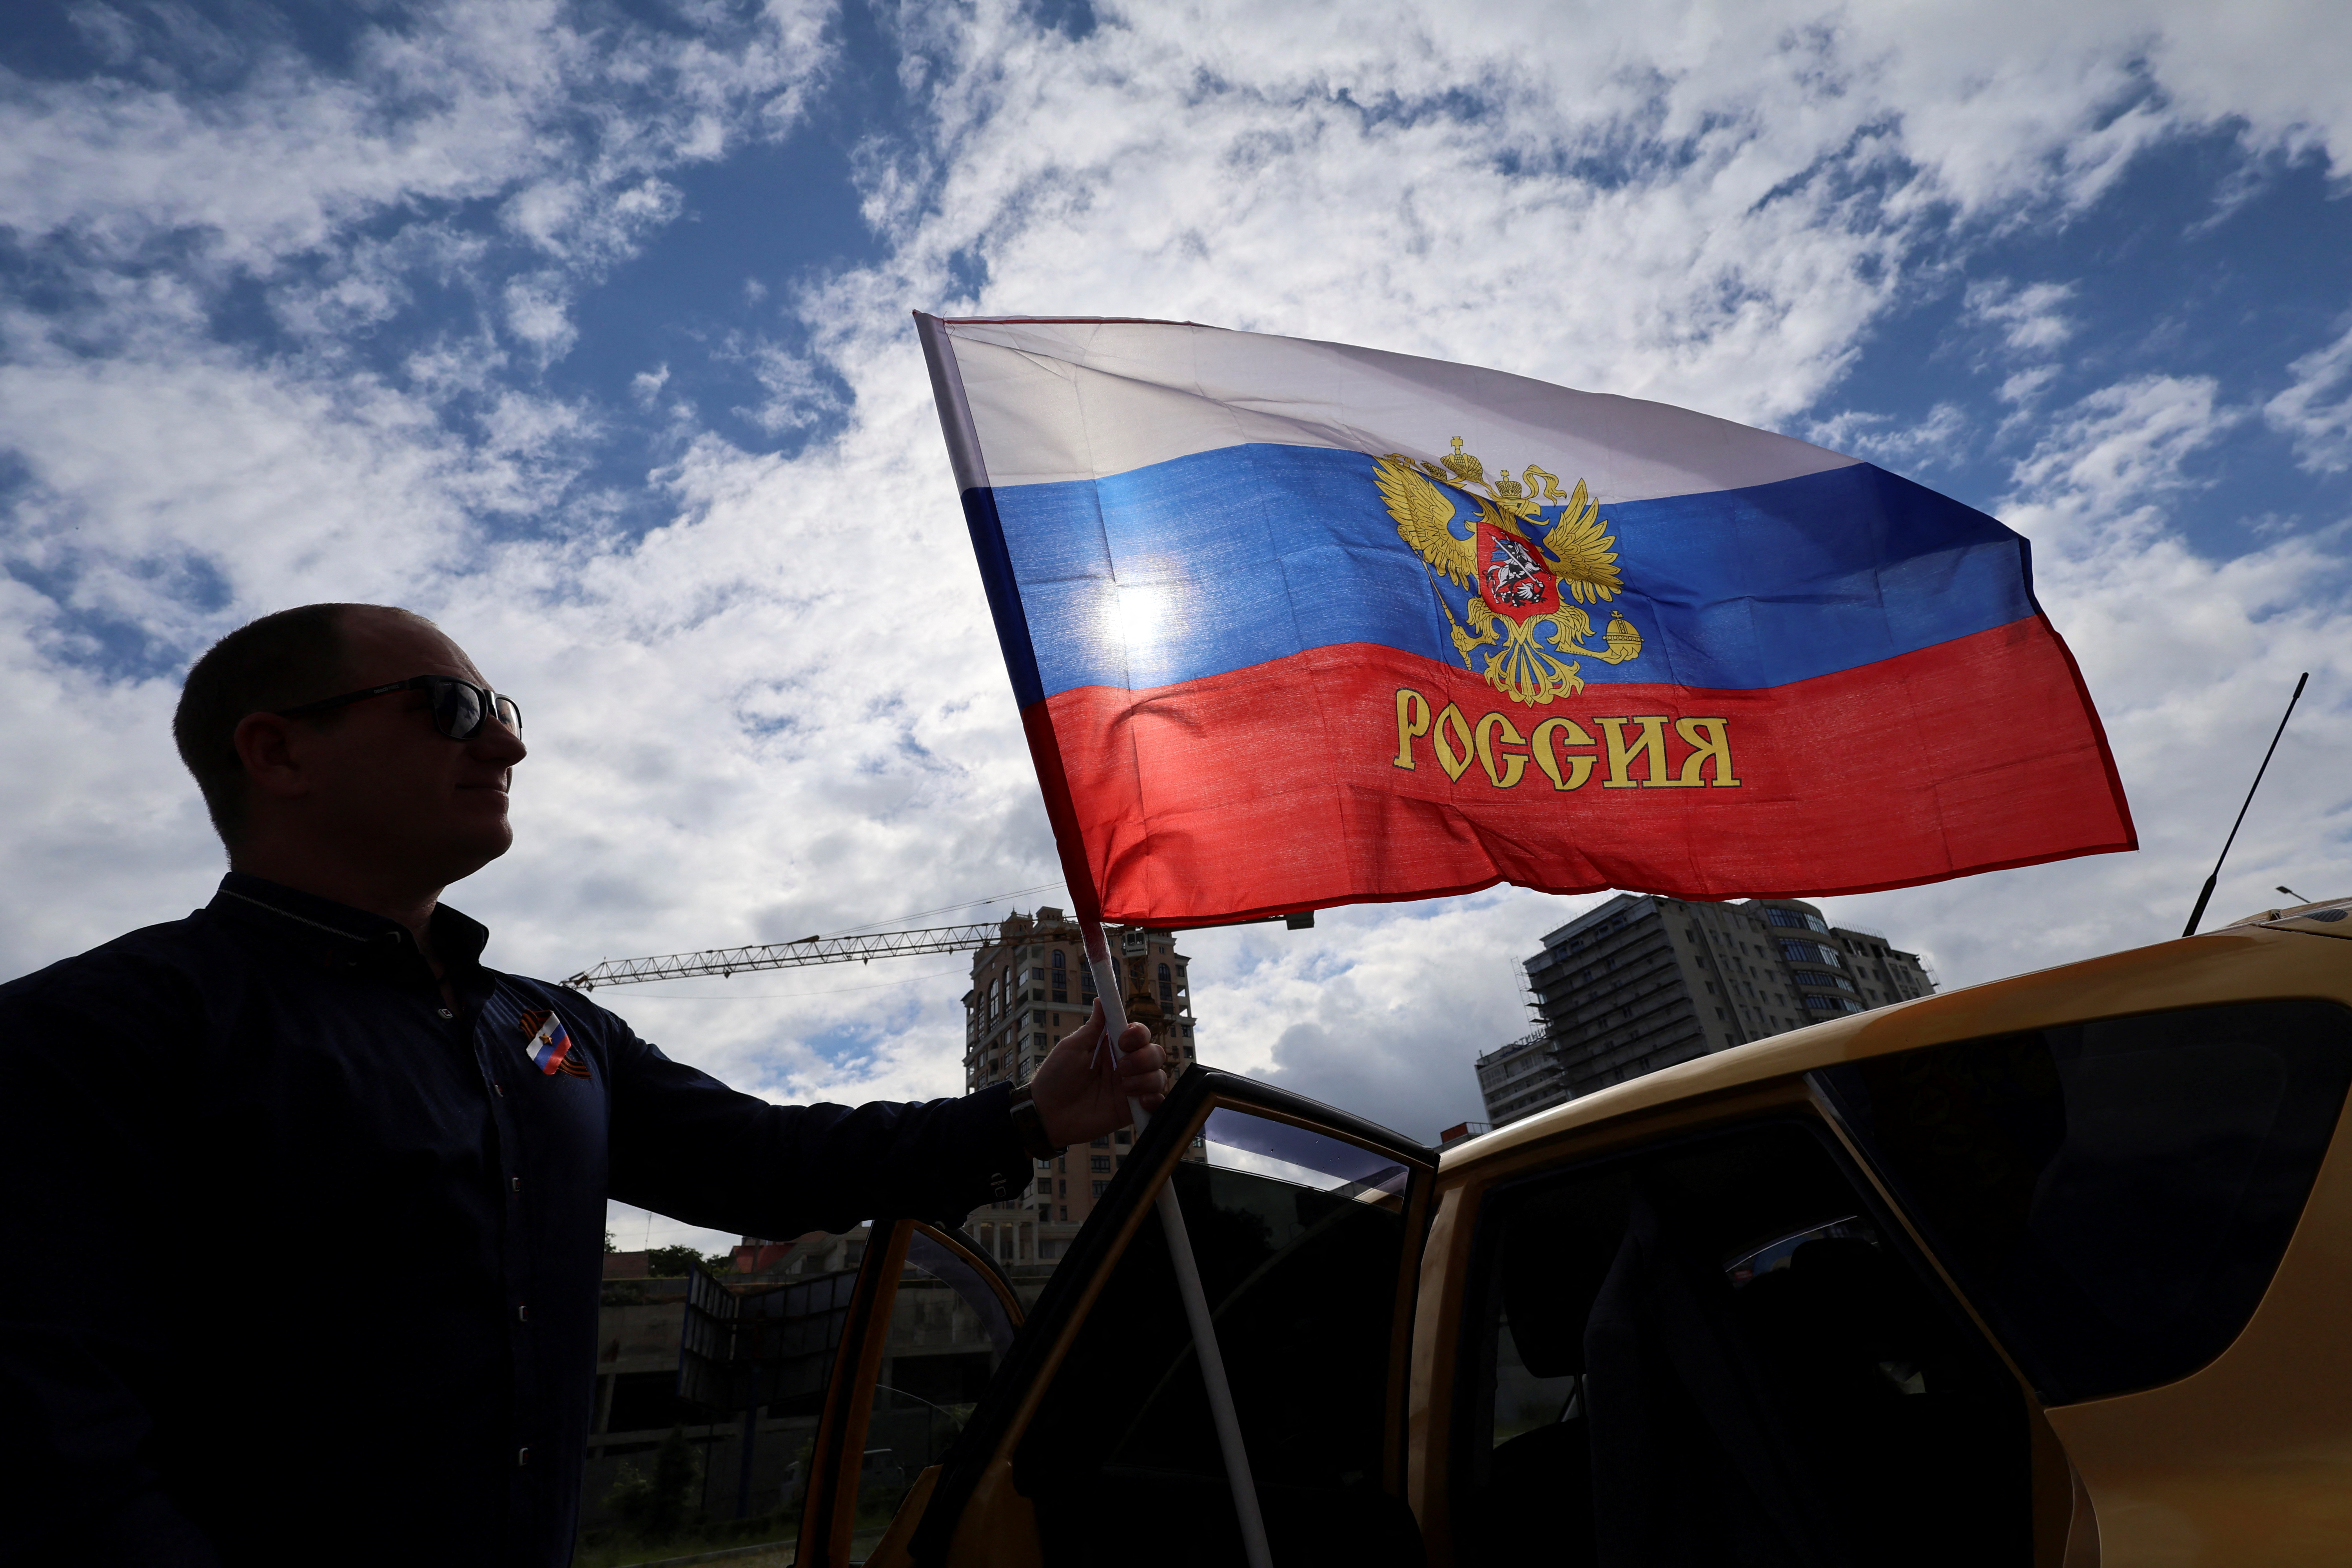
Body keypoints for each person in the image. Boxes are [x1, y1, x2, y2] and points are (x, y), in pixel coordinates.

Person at [0, 603, 1164, 1566]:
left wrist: (1027, 1116)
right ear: (279, 751)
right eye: (450, 710)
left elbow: (764, 1163)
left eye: (505, 714)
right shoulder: (92, 1035)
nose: (506, 747)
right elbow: (51, 1442)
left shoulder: (551, 1030)